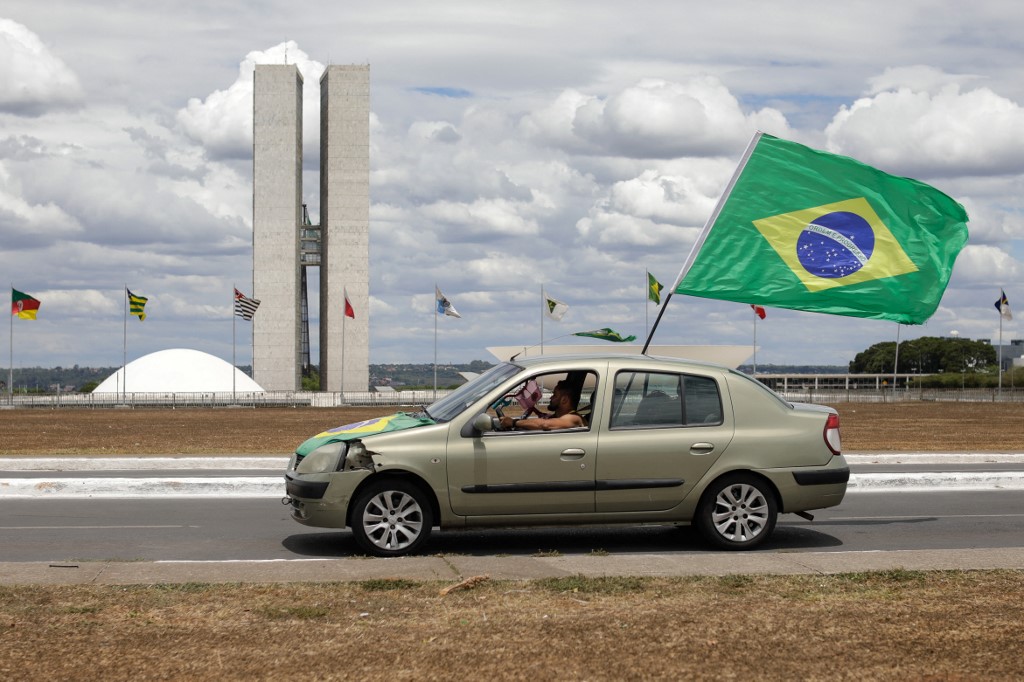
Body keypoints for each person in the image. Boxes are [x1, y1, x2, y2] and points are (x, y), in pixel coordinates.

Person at [499, 379, 584, 431]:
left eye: (555, 395)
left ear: (564, 399)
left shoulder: (574, 417)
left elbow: (545, 424)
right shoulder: (559, 416)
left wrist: (514, 422)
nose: (551, 398)